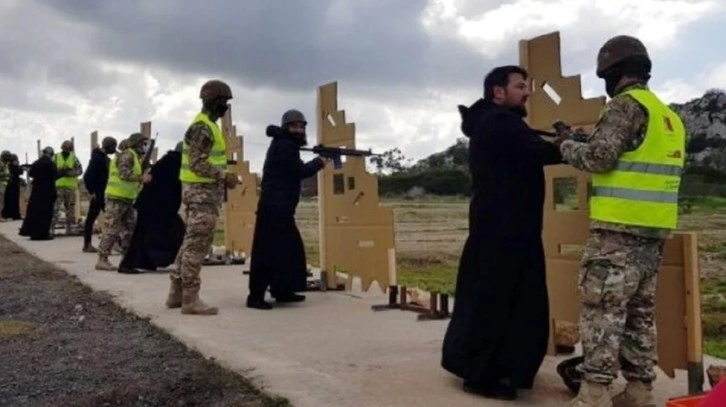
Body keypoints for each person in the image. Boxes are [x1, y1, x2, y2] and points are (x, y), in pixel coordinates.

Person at [556, 35, 686, 407]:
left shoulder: (623, 107)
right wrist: (582, 138)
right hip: (652, 233)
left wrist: (565, 146)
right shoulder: (668, 117)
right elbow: (627, 154)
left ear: (613, 72)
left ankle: (594, 393)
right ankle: (638, 390)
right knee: (639, 315)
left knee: (602, 310)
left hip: (616, 234)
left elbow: (599, 159)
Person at [440, 65, 564, 401]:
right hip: (506, 232)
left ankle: (489, 367)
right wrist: (571, 143)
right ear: (498, 92)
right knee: (500, 304)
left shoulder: (491, 122)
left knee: (493, 302)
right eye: (520, 86)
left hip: (501, 229)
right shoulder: (500, 122)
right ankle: (483, 374)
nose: (526, 92)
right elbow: (539, 152)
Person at [166, 79, 238, 316]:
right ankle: (190, 298)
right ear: (214, 102)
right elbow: (198, 163)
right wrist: (223, 176)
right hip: (201, 194)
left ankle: (176, 293)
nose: (226, 107)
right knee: (197, 247)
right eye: (224, 102)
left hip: (201, 193)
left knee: (189, 244)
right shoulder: (203, 127)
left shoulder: (208, 125)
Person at [246, 110, 327, 310]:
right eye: (294, 126)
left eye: (301, 126)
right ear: (286, 128)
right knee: (267, 254)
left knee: (287, 252)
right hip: (275, 209)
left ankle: (282, 290)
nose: (298, 130)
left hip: (279, 209)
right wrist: (319, 162)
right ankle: (255, 296)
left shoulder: (285, 144)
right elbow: (298, 171)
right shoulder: (285, 146)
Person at [119, 142, 185, 273]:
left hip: (154, 205)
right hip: (156, 206)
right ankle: (128, 264)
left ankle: (146, 262)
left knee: (145, 235)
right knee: (175, 232)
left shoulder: (169, 160)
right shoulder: (174, 162)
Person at [95, 133, 151, 271]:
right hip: (116, 197)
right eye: (143, 143)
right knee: (112, 229)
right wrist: (141, 178)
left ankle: (126, 260)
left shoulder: (136, 157)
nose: (145, 146)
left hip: (127, 198)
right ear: (137, 143)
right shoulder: (127, 155)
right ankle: (102, 259)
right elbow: (124, 173)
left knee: (129, 230)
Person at [82, 136, 117, 253]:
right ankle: (88, 244)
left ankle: (91, 244)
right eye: (113, 146)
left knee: (106, 218)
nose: (114, 149)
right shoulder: (97, 159)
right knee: (95, 219)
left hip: (103, 192)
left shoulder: (103, 158)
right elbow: (87, 176)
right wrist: (91, 191)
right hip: (98, 193)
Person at [19, 147, 58, 240]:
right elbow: (55, 175)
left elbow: (31, 173)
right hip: (47, 191)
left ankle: (33, 232)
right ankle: (43, 234)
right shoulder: (50, 163)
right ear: (50, 154)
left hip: (36, 191)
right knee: (45, 213)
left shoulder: (37, 163)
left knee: (34, 212)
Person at [51, 140, 83, 235]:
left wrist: (70, 173)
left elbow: (80, 170)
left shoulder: (74, 158)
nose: (66, 150)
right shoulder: (56, 157)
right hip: (58, 186)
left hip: (70, 187)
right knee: (55, 208)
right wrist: (59, 171)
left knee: (70, 209)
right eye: (65, 148)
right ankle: (51, 228)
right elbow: (51, 170)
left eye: (68, 149)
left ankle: (70, 228)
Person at [2, 153, 23, 221]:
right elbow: (18, 172)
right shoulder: (9, 166)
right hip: (10, 185)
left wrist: (18, 166)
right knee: (9, 200)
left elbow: (20, 171)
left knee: (14, 200)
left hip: (14, 185)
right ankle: (8, 214)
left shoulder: (14, 166)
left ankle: (14, 215)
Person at [0, 150, 9, 221]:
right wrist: (5, 175)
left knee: (2, 201)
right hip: (1, 185)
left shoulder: (5, 164)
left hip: (4, 185)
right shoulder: (1, 164)